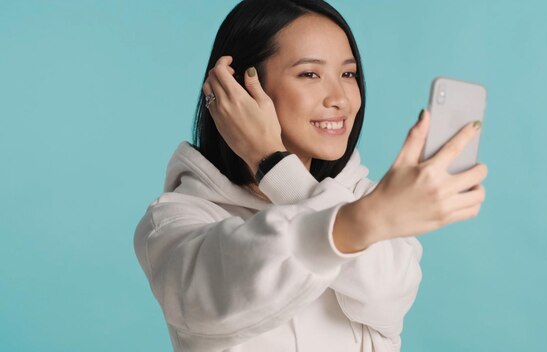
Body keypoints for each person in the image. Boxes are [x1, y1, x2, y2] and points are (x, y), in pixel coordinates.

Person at [133, 0, 488, 351]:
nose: (341, 99)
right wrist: (271, 162)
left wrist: (280, 171)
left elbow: (388, 294)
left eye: (348, 74)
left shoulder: (369, 197)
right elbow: (225, 288)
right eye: (310, 74)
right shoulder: (174, 223)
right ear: (239, 90)